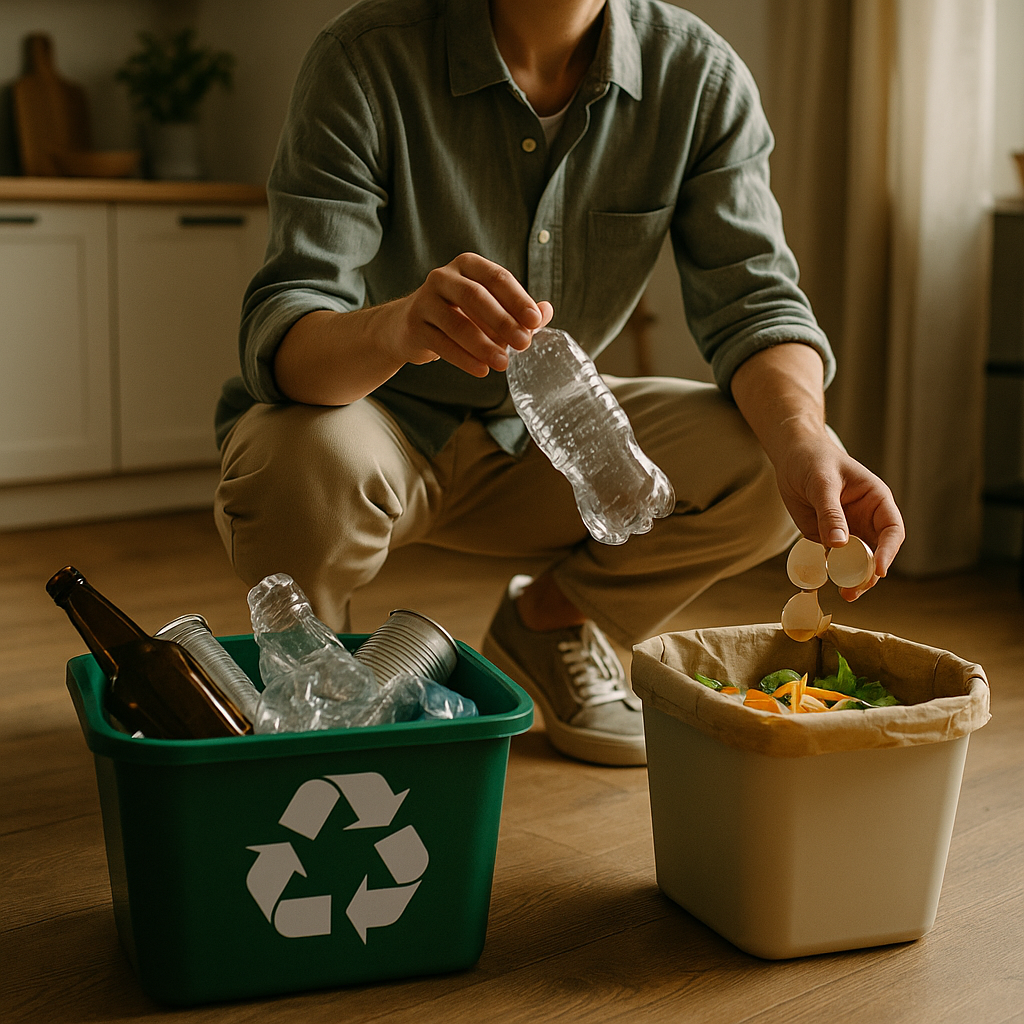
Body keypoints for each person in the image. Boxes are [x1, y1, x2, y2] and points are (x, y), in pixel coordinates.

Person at [214, 0, 905, 766]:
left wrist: (807, 439)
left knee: (773, 456)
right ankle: (321, 700)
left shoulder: (699, 77)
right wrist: (401, 326)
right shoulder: (366, 56)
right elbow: (286, 330)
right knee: (293, 465)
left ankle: (550, 623)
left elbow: (757, 303)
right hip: (370, 428)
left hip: (545, 440)